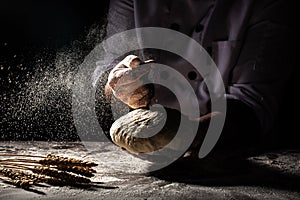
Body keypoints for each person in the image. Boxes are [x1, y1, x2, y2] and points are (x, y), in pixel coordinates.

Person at [93, 0, 297, 160]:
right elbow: (110, 66)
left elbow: (253, 104)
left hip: (228, 153)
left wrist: (190, 132)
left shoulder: (267, 4)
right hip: (140, 148)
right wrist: (117, 83)